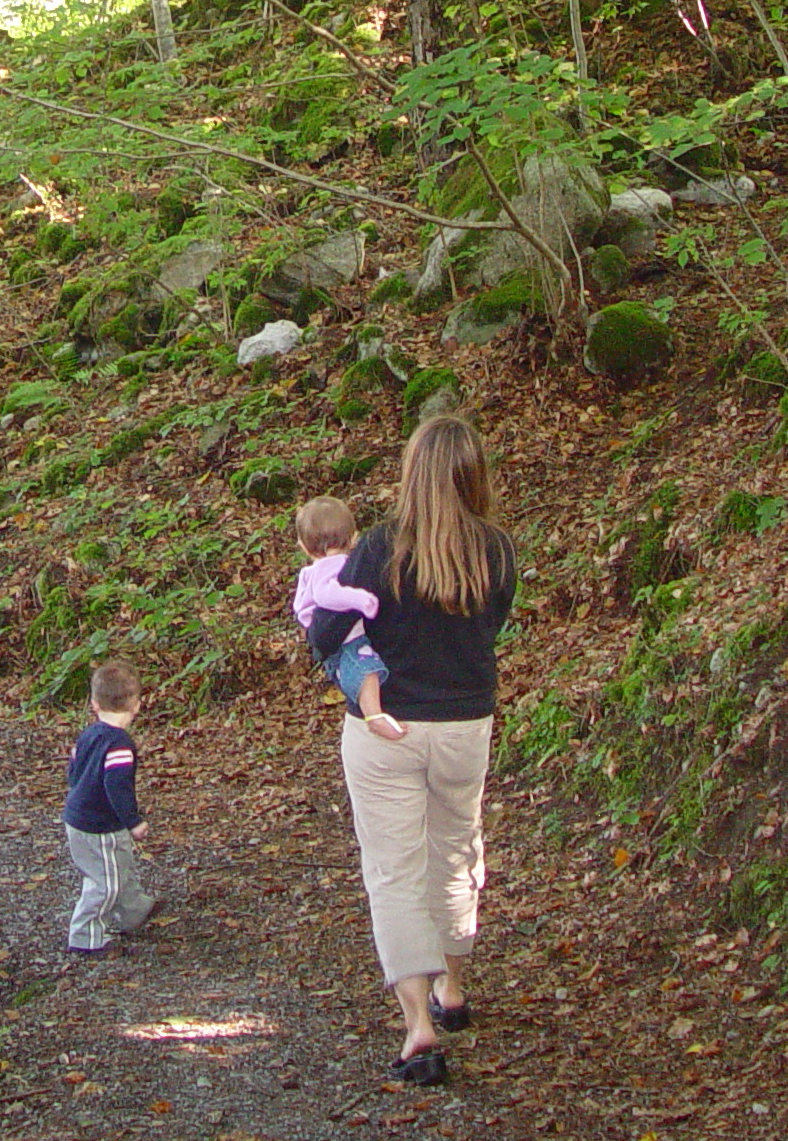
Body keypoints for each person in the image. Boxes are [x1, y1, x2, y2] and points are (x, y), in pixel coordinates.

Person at [305, 414, 516, 1087]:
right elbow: (493, 623)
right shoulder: (498, 550)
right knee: (456, 852)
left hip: (383, 727)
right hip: (465, 724)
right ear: (474, 473)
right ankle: (452, 989)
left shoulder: (379, 547)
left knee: (395, 871)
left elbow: (328, 631)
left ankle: (419, 1028)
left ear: (411, 471)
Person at [62, 659, 158, 955]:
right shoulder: (119, 745)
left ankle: (133, 911)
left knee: (119, 865)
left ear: (94, 703)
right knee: (105, 882)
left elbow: (73, 771)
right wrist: (133, 821)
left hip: (79, 817)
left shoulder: (89, 734)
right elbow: (117, 787)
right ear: (137, 705)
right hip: (99, 825)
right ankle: (85, 937)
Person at [292, 497, 404, 741]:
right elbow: (326, 594)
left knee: (364, 669)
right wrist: (359, 599)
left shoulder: (319, 566)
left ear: (303, 546)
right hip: (346, 641)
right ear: (354, 538)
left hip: (338, 638)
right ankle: (374, 715)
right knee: (367, 670)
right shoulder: (331, 566)